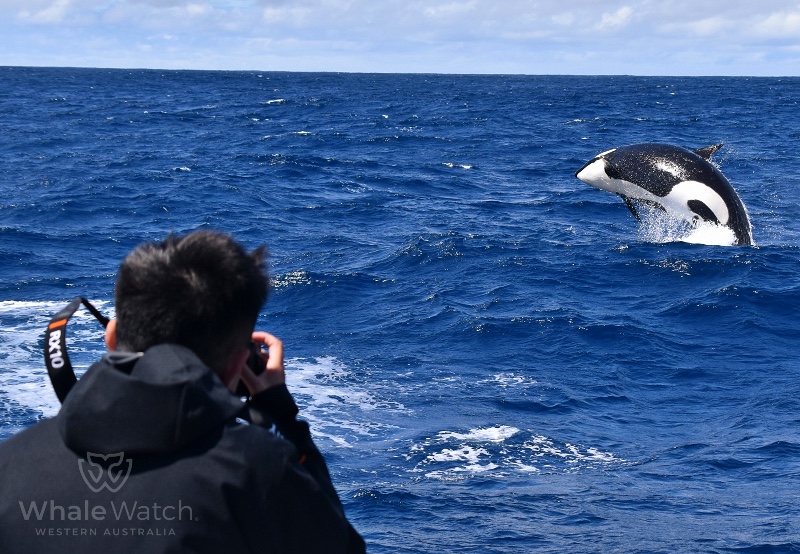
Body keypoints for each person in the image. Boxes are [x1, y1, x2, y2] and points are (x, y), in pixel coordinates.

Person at [0, 230, 366, 553]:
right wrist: (285, 417)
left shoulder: (9, 464)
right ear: (239, 366)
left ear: (111, 338)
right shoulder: (261, 475)